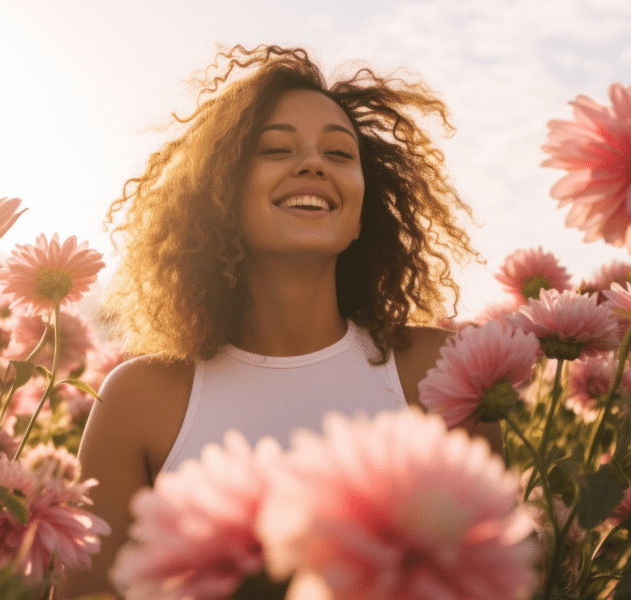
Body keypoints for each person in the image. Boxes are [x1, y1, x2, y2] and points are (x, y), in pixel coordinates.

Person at [57, 43, 505, 600]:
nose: (313, 164)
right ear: (219, 193)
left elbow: (495, 574)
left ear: (364, 210)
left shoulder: (438, 371)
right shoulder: (139, 400)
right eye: (275, 148)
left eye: (340, 154)